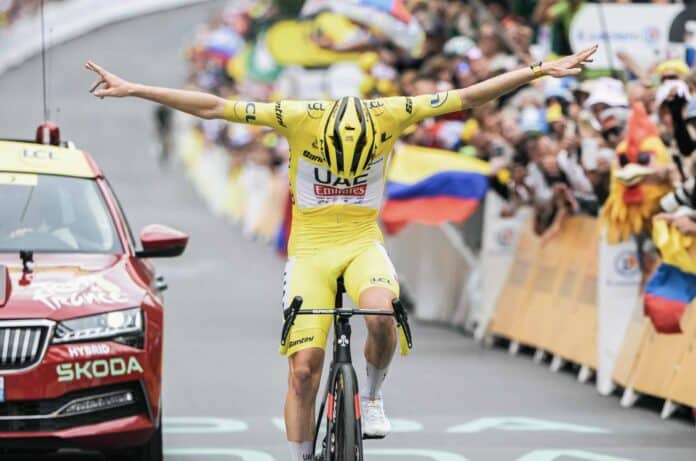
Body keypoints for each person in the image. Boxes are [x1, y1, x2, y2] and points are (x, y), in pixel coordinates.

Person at [85, 43, 597, 461]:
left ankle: (371, 396)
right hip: (308, 251)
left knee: (380, 316)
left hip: (360, 244)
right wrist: (135, 89)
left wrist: (539, 71)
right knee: (304, 368)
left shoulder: (394, 112)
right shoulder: (297, 115)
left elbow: (469, 96)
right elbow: (215, 106)